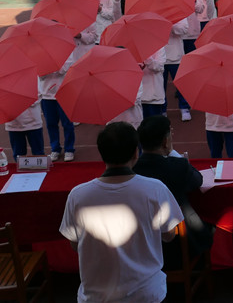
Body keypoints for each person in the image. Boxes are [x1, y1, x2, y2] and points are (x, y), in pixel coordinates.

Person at [60, 122, 183, 303]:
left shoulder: (78, 195)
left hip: (95, 297)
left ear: (102, 154)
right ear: (136, 152)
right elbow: (169, 235)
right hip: (147, 295)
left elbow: (74, 243)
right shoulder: (155, 189)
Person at [133, 116, 215, 262]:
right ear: (165, 141)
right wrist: (172, 152)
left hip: (143, 246)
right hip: (178, 245)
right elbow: (198, 180)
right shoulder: (178, 167)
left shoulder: (133, 170)